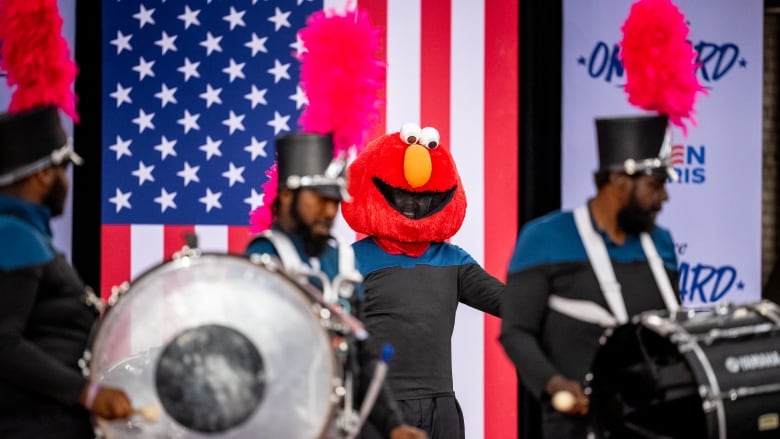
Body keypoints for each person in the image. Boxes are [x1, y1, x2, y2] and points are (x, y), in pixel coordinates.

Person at [499, 114, 682, 438]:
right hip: (577, 425)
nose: (664, 198)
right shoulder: (544, 238)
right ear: (619, 181)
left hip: (653, 420)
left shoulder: (662, 242)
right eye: (655, 186)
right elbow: (516, 331)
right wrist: (553, 385)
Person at [245, 132, 427, 439]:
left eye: (334, 201)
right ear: (288, 196)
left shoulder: (342, 259)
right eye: (319, 199)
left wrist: (392, 424)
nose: (330, 212)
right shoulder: (264, 256)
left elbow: (363, 351)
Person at [340, 124, 505, 439]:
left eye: (422, 197)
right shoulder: (352, 262)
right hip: (377, 406)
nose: (412, 205)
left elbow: (508, 302)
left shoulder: (453, 260)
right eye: (402, 195)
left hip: (439, 406)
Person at [0, 106, 133, 438]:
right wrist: (87, 393)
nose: (66, 181)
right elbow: (2, 342)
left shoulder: (27, 235)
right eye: (63, 169)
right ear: (43, 174)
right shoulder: (12, 235)